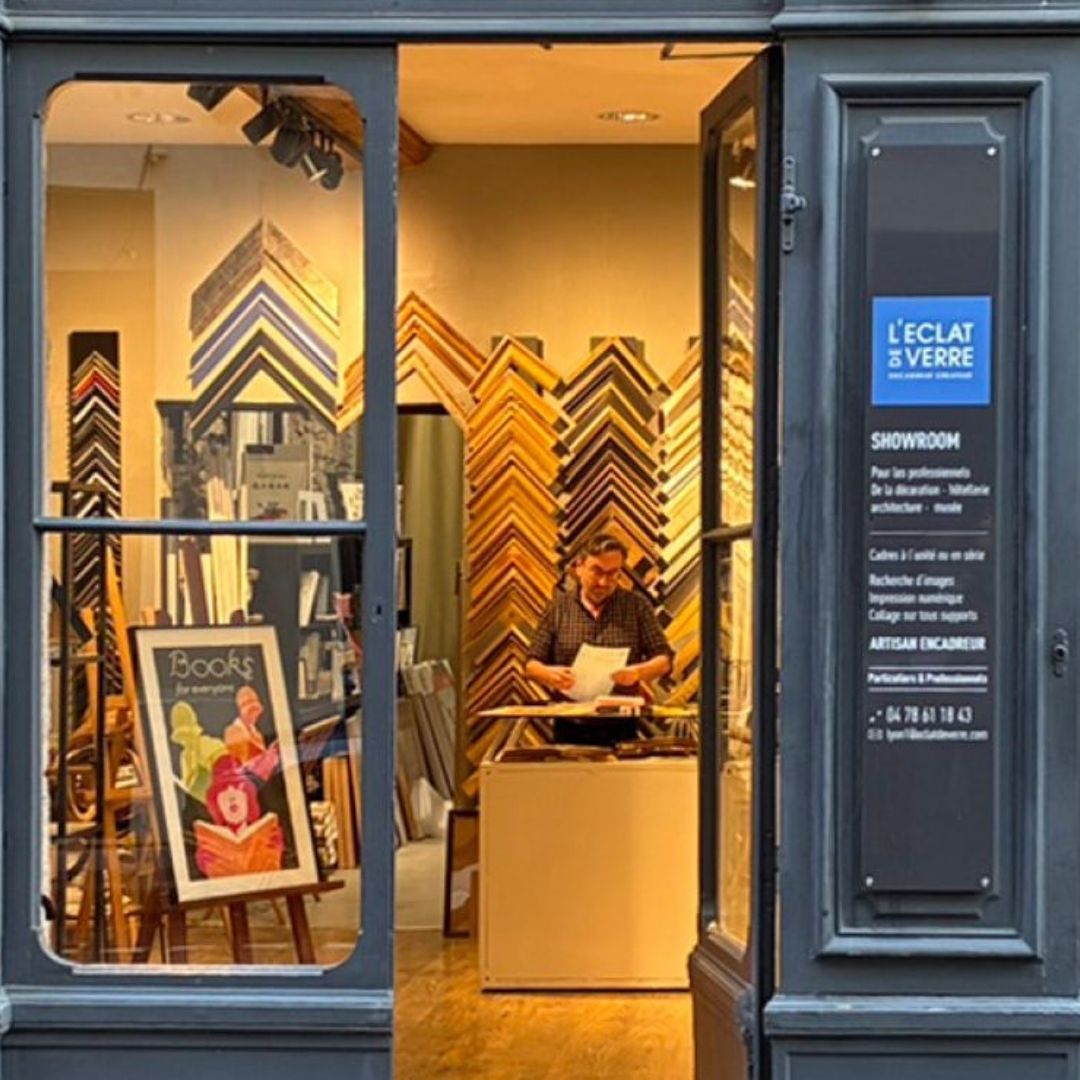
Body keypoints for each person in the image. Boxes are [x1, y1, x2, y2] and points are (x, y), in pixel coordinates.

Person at [524, 533, 673, 745]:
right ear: (579, 567)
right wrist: (549, 674)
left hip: (622, 725)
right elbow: (531, 665)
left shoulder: (636, 606)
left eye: (613, 574)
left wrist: (638, 673)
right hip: (569, 723)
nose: (603, 582)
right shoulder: (559, 608)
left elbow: (664, 659)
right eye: (597, 571)